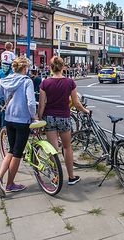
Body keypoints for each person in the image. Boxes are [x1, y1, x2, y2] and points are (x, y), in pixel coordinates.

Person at [38, 56, 90, 186]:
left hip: (49, 117)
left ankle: (55, 176)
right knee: (67, 147)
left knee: (52, 149)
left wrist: (39, 117)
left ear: (50, 67)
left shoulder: (45, 83)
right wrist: (85, 111)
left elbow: (42, 104)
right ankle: (71, 177)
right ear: (63, 67)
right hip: (64, 117)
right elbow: (76, 103)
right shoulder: (69, 82)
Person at [0, 57, 38, 197]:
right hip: (22, 120)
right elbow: (31, 102)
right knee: (17, 153)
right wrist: (34, 116)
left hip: (9, 119)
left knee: (11, 150)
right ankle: (10, 184)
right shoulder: (26, 81)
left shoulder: (4, 81)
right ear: (24, 68)